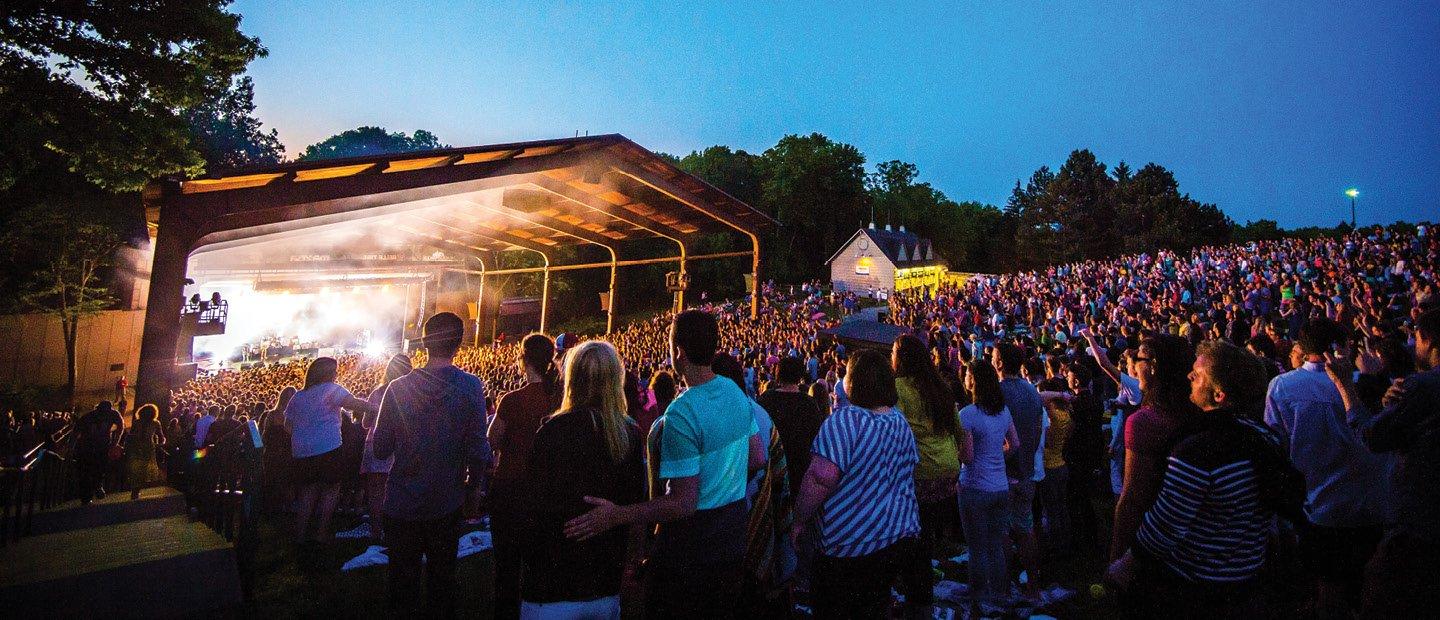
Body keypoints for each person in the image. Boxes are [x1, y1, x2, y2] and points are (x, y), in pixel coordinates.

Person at [563, 309, 764, 618]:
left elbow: (682, 503)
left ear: (678, 352)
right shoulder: (734, 392)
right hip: (733, 538)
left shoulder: (681, 413)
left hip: (692, 553)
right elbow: (757, 457)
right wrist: (722, 484)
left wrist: (617, 515)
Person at [1108, 340, 1278, 618]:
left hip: (1199, 583)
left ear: (1219, 394)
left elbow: (1166, 520)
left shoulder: (1198, 451)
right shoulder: (1262, 435)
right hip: (1247, 573)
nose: (1189, 376)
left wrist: (1124, 563)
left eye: (1198, 375)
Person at [1264, 318, 1392, 617]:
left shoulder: (1283, 386)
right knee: (1369, 588)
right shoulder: (1370, 384)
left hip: (1320, 504)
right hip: (1375, 503)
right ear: (1339, 347)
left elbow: (1276, 442)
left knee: (1329, 589)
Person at [1323, 307, 1440, 618]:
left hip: (1418, 524)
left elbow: (1372, 437)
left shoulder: (1424, 386)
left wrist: (1345, 385)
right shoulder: (1418, 387)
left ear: (1426, 338)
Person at [373, 312, 492, 615]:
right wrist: (473, 491)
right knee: (442, 585)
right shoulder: (470, 387)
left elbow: (380, 449)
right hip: (446, 501)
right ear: (459, 343)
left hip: (401, 501)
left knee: (402, 589)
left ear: (424, 342)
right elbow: (479, 449)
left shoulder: (397, 388)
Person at [789, 349, 921, 618]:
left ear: (855, 382)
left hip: (849, 545)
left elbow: (819, 478)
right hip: (895, 536)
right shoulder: (899, 420)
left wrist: (800, 520)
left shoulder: (846, 421)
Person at [521, 341, 644, 619]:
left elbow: (532, 507)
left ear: (571, 379)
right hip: (604, 580)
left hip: (552, 582)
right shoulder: (629, 434)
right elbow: (636, 511)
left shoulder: (552, 431)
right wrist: (630, 565)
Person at [490, 334, 561, 620]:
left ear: (524, 360)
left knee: (507, 565)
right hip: (546, 489)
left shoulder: (512, 400)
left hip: (510, 487)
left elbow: (492, 439)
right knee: (540, 561)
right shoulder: (560, 398)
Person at [891, 334, 962, 615]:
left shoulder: (898, 388)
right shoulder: (941, 387)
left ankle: (918, 600)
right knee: (924, 533)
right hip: (947, 470)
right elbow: (958, 429)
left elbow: (895, 430)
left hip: (922, 471)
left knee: (912, 540)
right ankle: (923, 582)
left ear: (901, 358)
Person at [1109, 335, 1198, 561]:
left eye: (1138, 359)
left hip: (1152, 538)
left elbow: (1131, 500)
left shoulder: (1145, 422)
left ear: (1154, 366)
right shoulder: (1199, 413)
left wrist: (1117, 557)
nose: (1134, 366)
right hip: (1191, 537)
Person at [284, 357, 376, 547]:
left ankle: (300, 536)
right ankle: (321, 533)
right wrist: (378, 407)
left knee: (307, 492)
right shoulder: (332, 390)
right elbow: (355, 404)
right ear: (327, 373)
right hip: (328, 448)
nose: (337, 374)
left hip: (301, 452)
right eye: (334, 371)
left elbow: (287, 426)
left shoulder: (298, 396)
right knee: (330, 490)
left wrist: (306, 435)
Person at [957, 360, 1016, 614]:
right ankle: (999, 594)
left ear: (974, 381)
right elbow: (1014, 444)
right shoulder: (1003, 411)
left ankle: (978, 596)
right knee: (995, 545)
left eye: (968, 374)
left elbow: (968, 457)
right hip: (999, 486)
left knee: (977, 546)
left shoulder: (968, 414)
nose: (965, 377)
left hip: (974, 486)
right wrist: (995, 458)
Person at [992, 342, 1043, 598]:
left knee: (1001, 532)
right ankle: (1033, 586)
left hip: (1002, 473)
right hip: (1027, 471)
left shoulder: (996, 393)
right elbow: (1036, 430)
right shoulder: (1032, 392)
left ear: (1000, 362)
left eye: (993, 357)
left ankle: (1004, 588)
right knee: (1025, 529)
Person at [360, 354, 412, 543]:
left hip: (376, 443)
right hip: (400, 445)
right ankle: (396, 533)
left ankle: (376, 532)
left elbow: (366, 423)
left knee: (376, 492)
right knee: (399, 490)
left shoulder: (378, 392)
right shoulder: (412, 392)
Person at [76, 400, 123, 504]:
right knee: (95, 468)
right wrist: (115, 442)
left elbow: (120, 426)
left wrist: (115, 442)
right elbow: (120, 426)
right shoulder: (107, 414)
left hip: (96, 446)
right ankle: (93, 490)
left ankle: (92, 490)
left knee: (96, 468)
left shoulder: (91, 416)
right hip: (92, 446)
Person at [124, 404, 166, 500]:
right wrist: (160, 444)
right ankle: (136, 489)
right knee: (142, 469)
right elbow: (162, 437)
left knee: (138, 468)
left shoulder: (138, 422)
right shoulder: (155, 423)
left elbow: (132, 435)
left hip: (138, 447)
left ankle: (135, 490)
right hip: (147, 447)